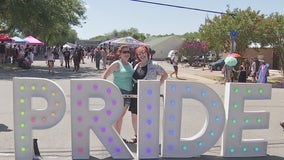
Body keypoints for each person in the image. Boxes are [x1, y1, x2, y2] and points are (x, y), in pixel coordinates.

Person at [129, 45, 168, 143]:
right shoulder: (137, 65)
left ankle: (147, 136)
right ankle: (137, 135)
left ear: (147, 53)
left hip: (147, 93)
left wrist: (157, 85)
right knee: (134, 115)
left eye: (143, 52)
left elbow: (165, 74)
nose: (141, 55)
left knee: (147, 115)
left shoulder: (154, 65)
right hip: (135, 92)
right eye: (139, 54)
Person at [102, 45, 134, 142]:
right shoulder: (117, 64)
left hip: (129, 93)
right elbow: (104, 76)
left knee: (120, 116)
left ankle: (116, 136)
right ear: (119, 54)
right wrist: (107, 91)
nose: (126, 53)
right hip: (119, 92)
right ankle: (116, 137)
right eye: (124, 52)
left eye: (128, 51)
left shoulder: (130, 65)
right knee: (118, 116)